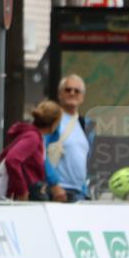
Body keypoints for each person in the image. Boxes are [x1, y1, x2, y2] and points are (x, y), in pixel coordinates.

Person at [0, 100, 62, 200]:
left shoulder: (32, 135)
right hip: (29, 190)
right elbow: (12, 160)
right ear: (54, 123)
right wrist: (22, 191)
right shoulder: (33, 137)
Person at [45, 74, 94, 202]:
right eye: (68, 90)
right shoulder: (51, 119)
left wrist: (84, 189)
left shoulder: (85, 125)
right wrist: (54, 185)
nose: (72, 93)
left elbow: (86, 161)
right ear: (59, 94)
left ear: (82, 97)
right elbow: (39, 154)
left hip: (79, 194)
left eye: (77, 91)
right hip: (56, 192)